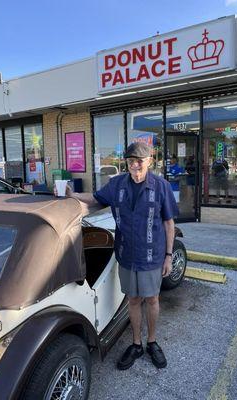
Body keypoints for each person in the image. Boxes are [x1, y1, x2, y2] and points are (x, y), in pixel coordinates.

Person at [57, 142, 179, 370]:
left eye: (139, 160)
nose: (135, 165)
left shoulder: (161, 187)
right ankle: (136, 344)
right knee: (133, 300)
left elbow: (169, 223)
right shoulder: (117, 185)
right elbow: (94, 198)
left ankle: (152, 342)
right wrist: (73, 196)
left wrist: (169, 255)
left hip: (152, 257)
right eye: (131, 161)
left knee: (152, 299)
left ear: (149, 161)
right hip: (126, 255)